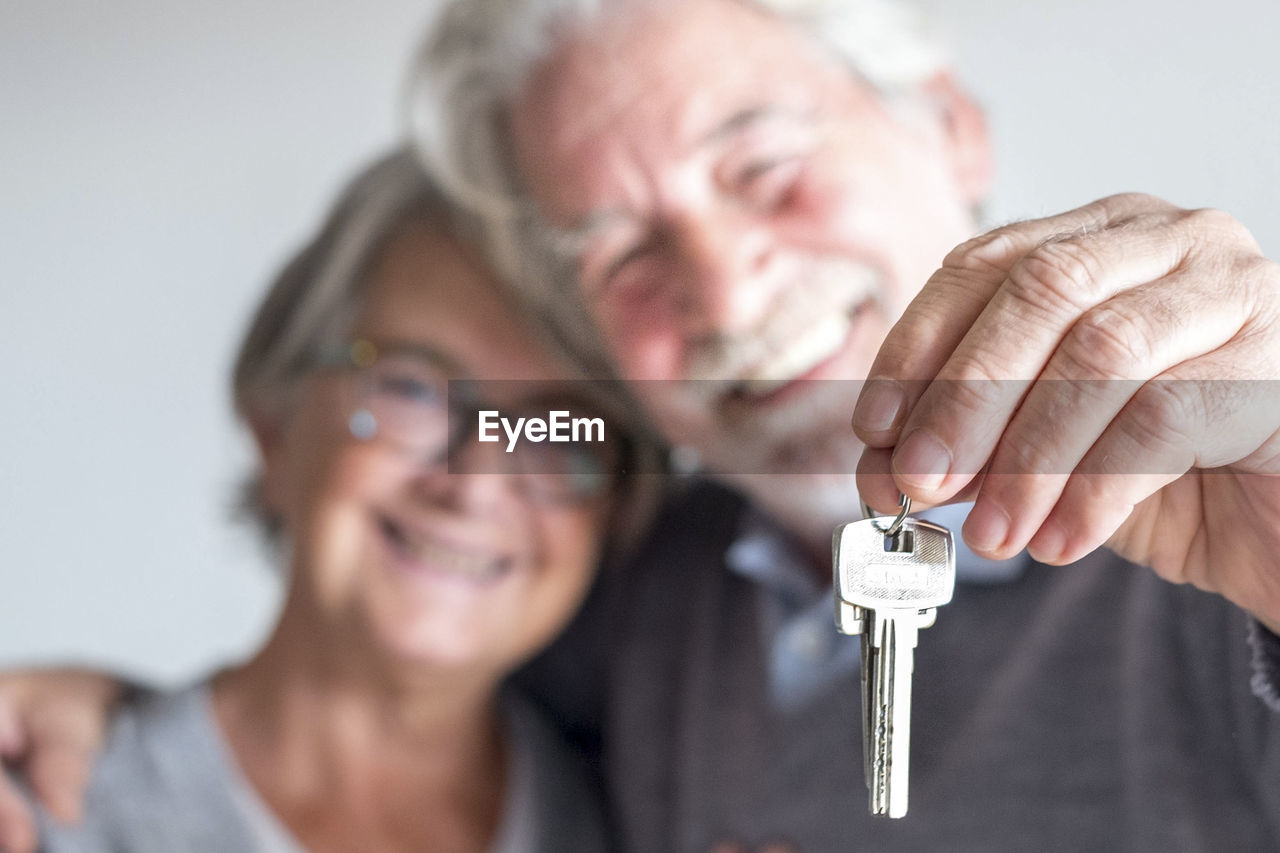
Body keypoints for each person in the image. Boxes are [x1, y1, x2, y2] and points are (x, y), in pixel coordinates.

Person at [6, 0, 1280, 850]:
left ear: (948, 125)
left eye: (763, 168)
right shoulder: (645, 615)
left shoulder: (1222, 528)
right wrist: (129, 753)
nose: (724, 291)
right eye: (618, 254)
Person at [1, 148, 648, 852]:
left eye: (562, 430)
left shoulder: (658, 818)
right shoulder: (46, 813)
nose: (474, 485)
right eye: (412, 389)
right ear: (275, 425)